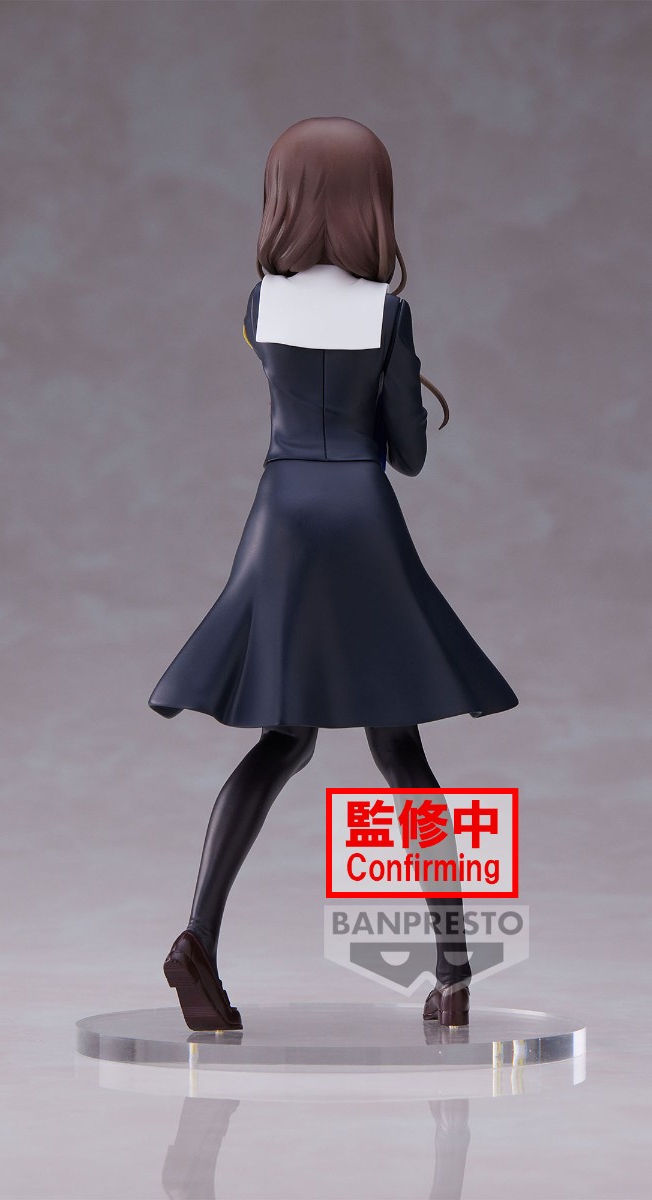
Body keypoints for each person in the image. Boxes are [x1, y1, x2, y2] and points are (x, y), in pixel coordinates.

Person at [149, 117, 518, 1031]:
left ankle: (197, 939)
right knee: (401, 749)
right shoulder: (386, 314)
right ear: (368, 203)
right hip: (361, 516)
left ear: (286, 199)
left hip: (281, 518)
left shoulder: (258, 305)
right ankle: (455, 974)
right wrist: (404, 383)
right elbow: (410, 457)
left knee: (285, 736)